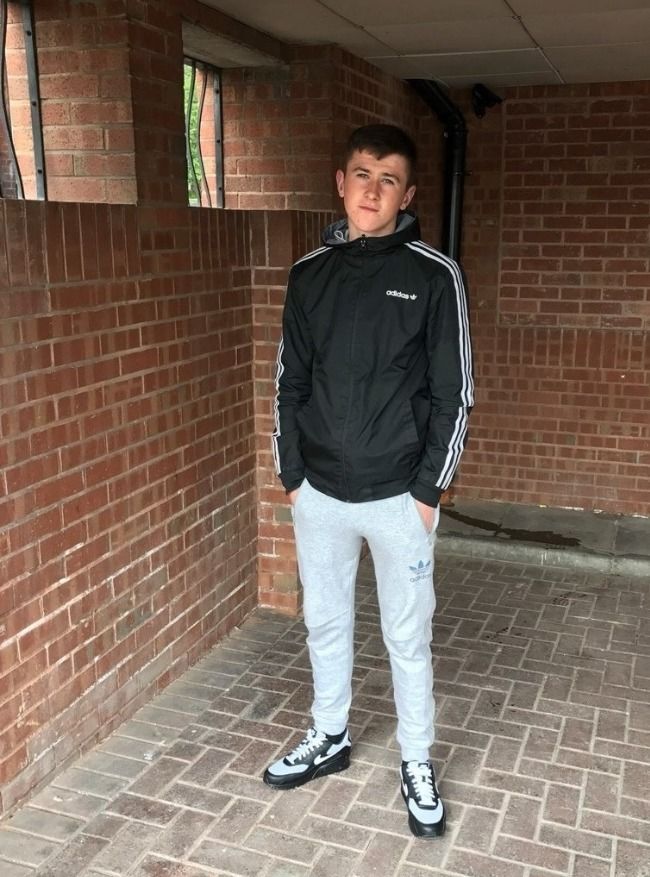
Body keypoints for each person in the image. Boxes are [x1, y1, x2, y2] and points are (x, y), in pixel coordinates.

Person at [263, 123, 474, 839]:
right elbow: (289, 383)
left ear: (406, 195)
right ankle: (330, 734)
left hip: (397, 497)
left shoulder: (434, 276)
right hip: (319, 492)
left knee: (406, 637)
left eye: (388, 180)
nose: (372, 191)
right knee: (324, 620)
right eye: (362, 174)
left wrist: (427, 494)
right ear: (341, 182)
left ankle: (416, 759)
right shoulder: (308, 275)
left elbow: (454, 394)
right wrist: (292, 474)